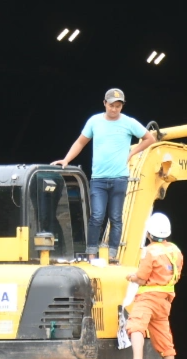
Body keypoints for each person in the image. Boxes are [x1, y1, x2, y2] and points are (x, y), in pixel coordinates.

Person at [52, 88, 157, 256]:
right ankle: (92, 253)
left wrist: (131, 153)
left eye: (118, 106)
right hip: (99, 179)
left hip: (119, 178)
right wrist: (66, 160)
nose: (114, 109)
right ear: (104, 103)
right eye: (111, 105)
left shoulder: (129, 122)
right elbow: (80, 142)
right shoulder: (94, 121)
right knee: (97, 216)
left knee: (115, 217)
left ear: (122, 106)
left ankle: (112, 255)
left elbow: (150, 138)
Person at [120, 211, 182, 359]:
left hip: (148, 298)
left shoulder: (150, 251)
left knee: (135, 325)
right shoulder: (175, 251)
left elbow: (141, 278)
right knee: (165, 340)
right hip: (165, 301)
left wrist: (131, 277)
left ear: (148, 234)